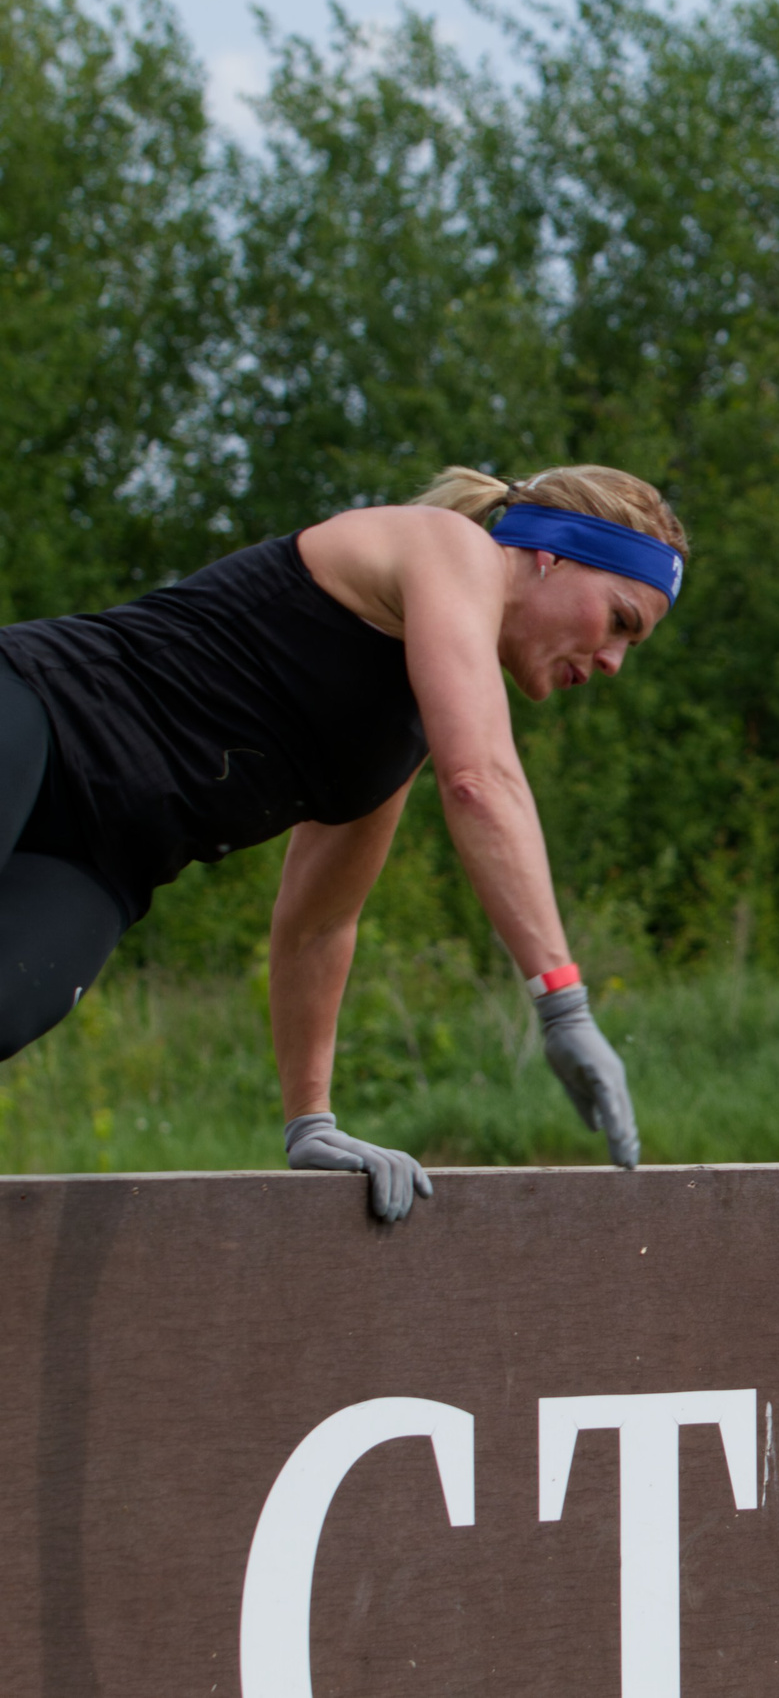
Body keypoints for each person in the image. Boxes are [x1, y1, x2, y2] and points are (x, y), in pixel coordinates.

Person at [0, 465, 683, 1217]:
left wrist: (310, 1122)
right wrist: (563, 1004)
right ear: (552, 555)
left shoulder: (400, 731)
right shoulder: (449, 547)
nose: (615, 661)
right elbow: (480, 779)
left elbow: (319, 922)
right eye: (621, 619)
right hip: (34, 714)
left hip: (100, 864)